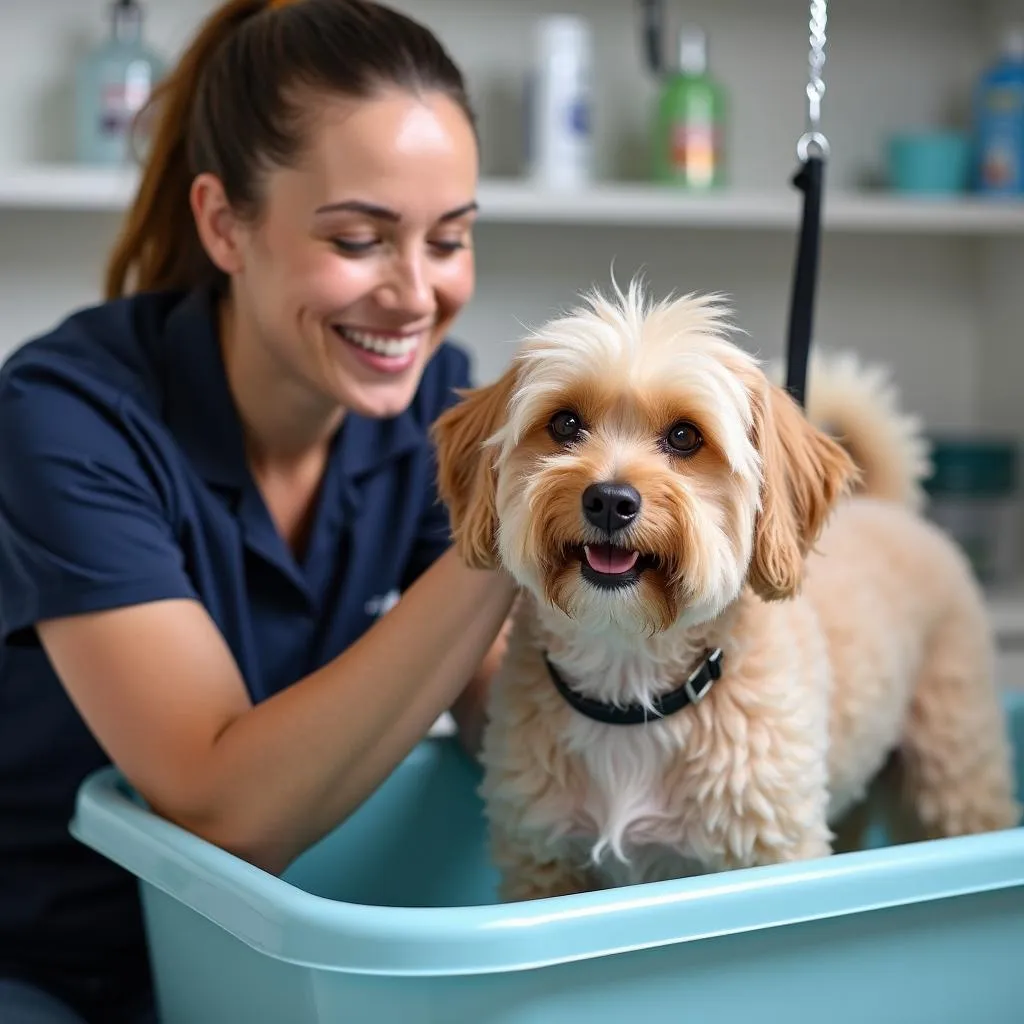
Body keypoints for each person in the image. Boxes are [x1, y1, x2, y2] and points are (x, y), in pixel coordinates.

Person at [0, 1, 516, 1020]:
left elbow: (501, 716)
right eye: (361, 238)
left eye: (449, 239)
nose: (415, 294)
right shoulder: (62, 419)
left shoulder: (430, 409)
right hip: (46, 961)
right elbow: (223, 810)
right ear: (223, 223)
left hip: (264, 958)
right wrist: (513, 528)